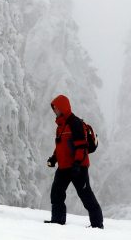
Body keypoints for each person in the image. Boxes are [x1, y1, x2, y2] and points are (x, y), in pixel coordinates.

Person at [44, 95, 104, 228]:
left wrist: (77, 164)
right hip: (64, 167)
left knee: (86, 195)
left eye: (56, 108)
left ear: (63, 107)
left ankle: (97, 224)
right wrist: (54, 158)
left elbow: (81, 146)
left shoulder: (75, 123)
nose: (55, 111)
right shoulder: (60, 125)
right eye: (54, 108)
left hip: (78, 167)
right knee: (56, 193)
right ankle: (57, 221)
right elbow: (61, 146)